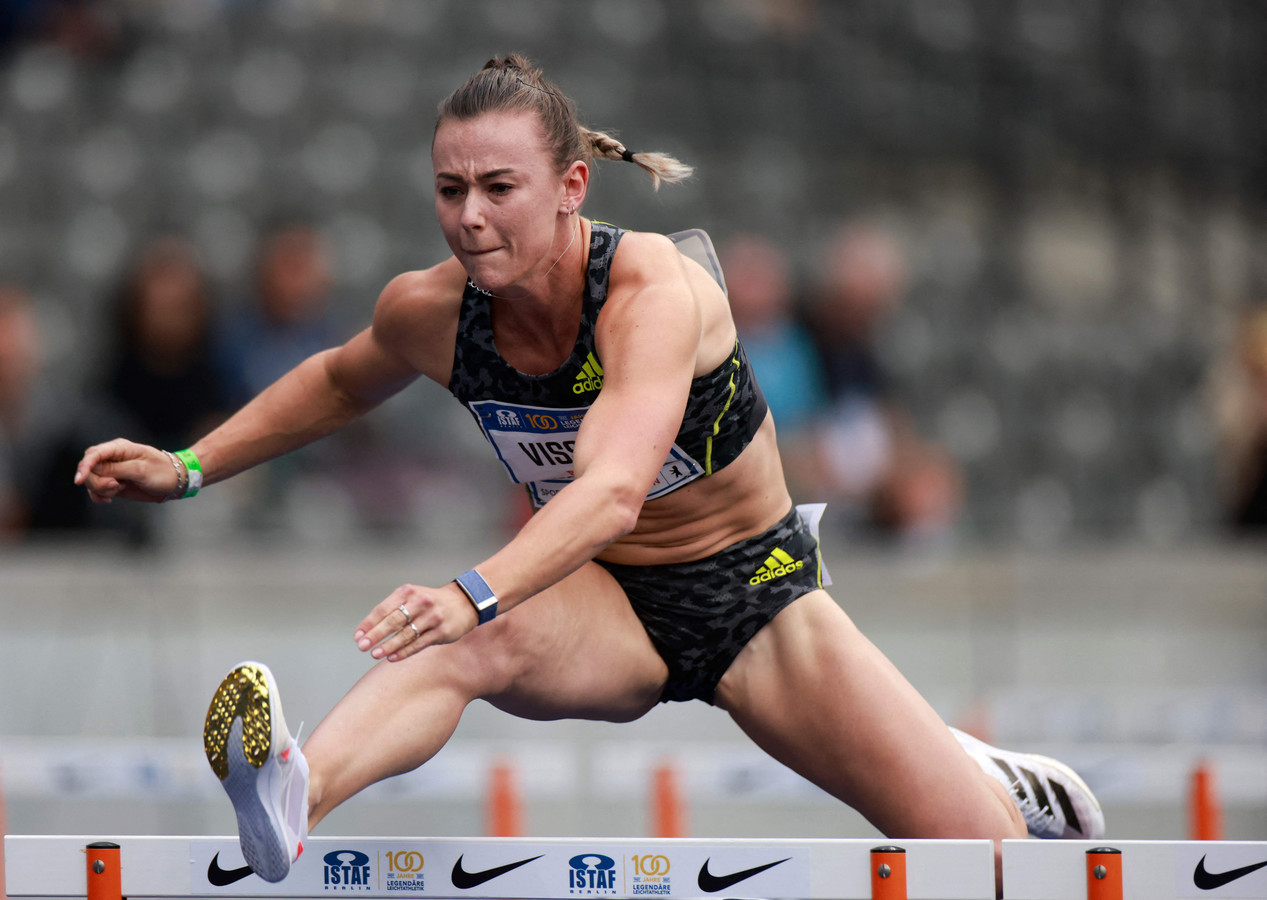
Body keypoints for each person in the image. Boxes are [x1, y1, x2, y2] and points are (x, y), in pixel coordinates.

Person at [75, 55, 1102, 892]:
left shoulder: (655, 288)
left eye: (497, 188)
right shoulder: (431, 311)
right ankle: (294, 793)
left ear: (572, 186)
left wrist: (470, 589)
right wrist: (190, 465)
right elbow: (340, 382)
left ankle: (983, 777)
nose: (469, 216)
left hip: (753, 595)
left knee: (986, 862)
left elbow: (612, 490)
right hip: (604, 603)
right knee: (468, 640)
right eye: (449, 189)